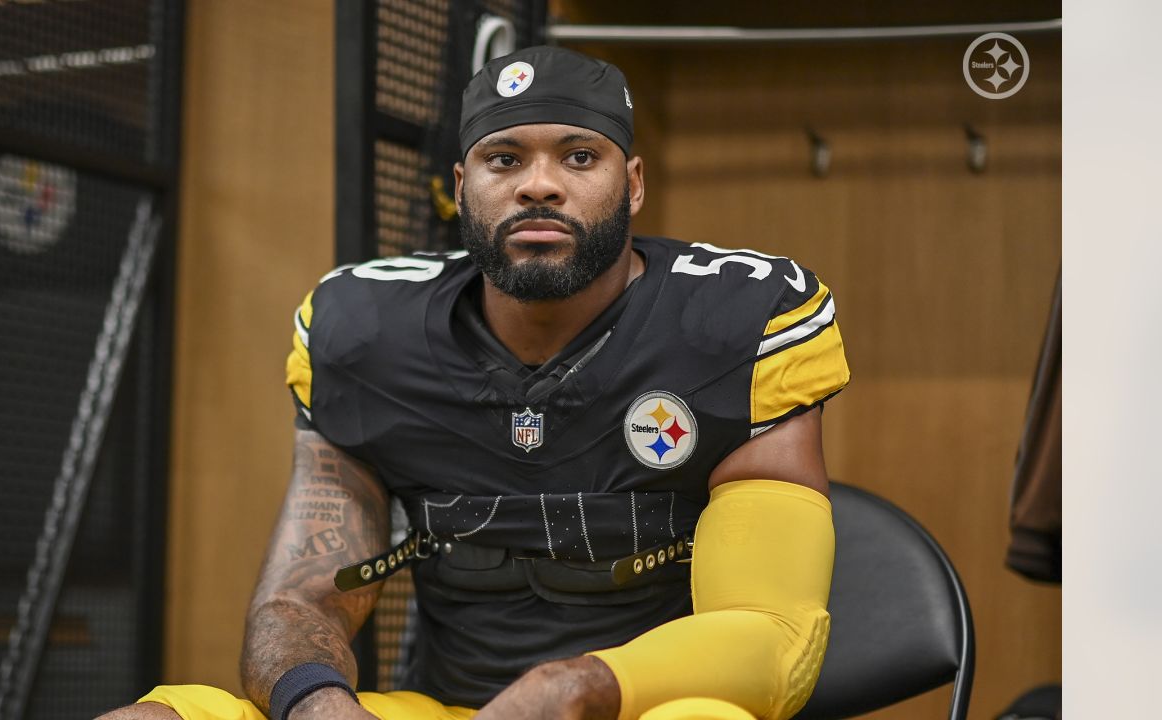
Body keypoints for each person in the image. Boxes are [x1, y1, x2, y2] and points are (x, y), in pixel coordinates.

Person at [100, 45, 849, 720]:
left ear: (635, 184)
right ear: (463, 186)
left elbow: (773, 632)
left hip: (644, 707)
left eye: (580, 158)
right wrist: (322, 708)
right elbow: (300, 601)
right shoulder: (367, 335)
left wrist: (572, 687)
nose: (540, 187)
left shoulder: (737, 321)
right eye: (504, 160)